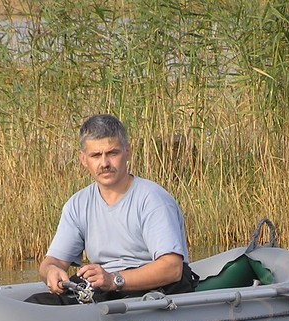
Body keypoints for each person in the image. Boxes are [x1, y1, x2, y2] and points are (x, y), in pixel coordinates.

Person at [26, 114, 196, 305]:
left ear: (128, 152)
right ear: (83, 159)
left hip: (151, 291)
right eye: (96, 155)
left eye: (112, 153)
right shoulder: (77, 204)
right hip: (104, 287)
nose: (105, 163)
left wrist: (113, 280)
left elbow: (172, 268)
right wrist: (51, 271)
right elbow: (53, 261)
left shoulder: (153, 199)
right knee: (34, 303)